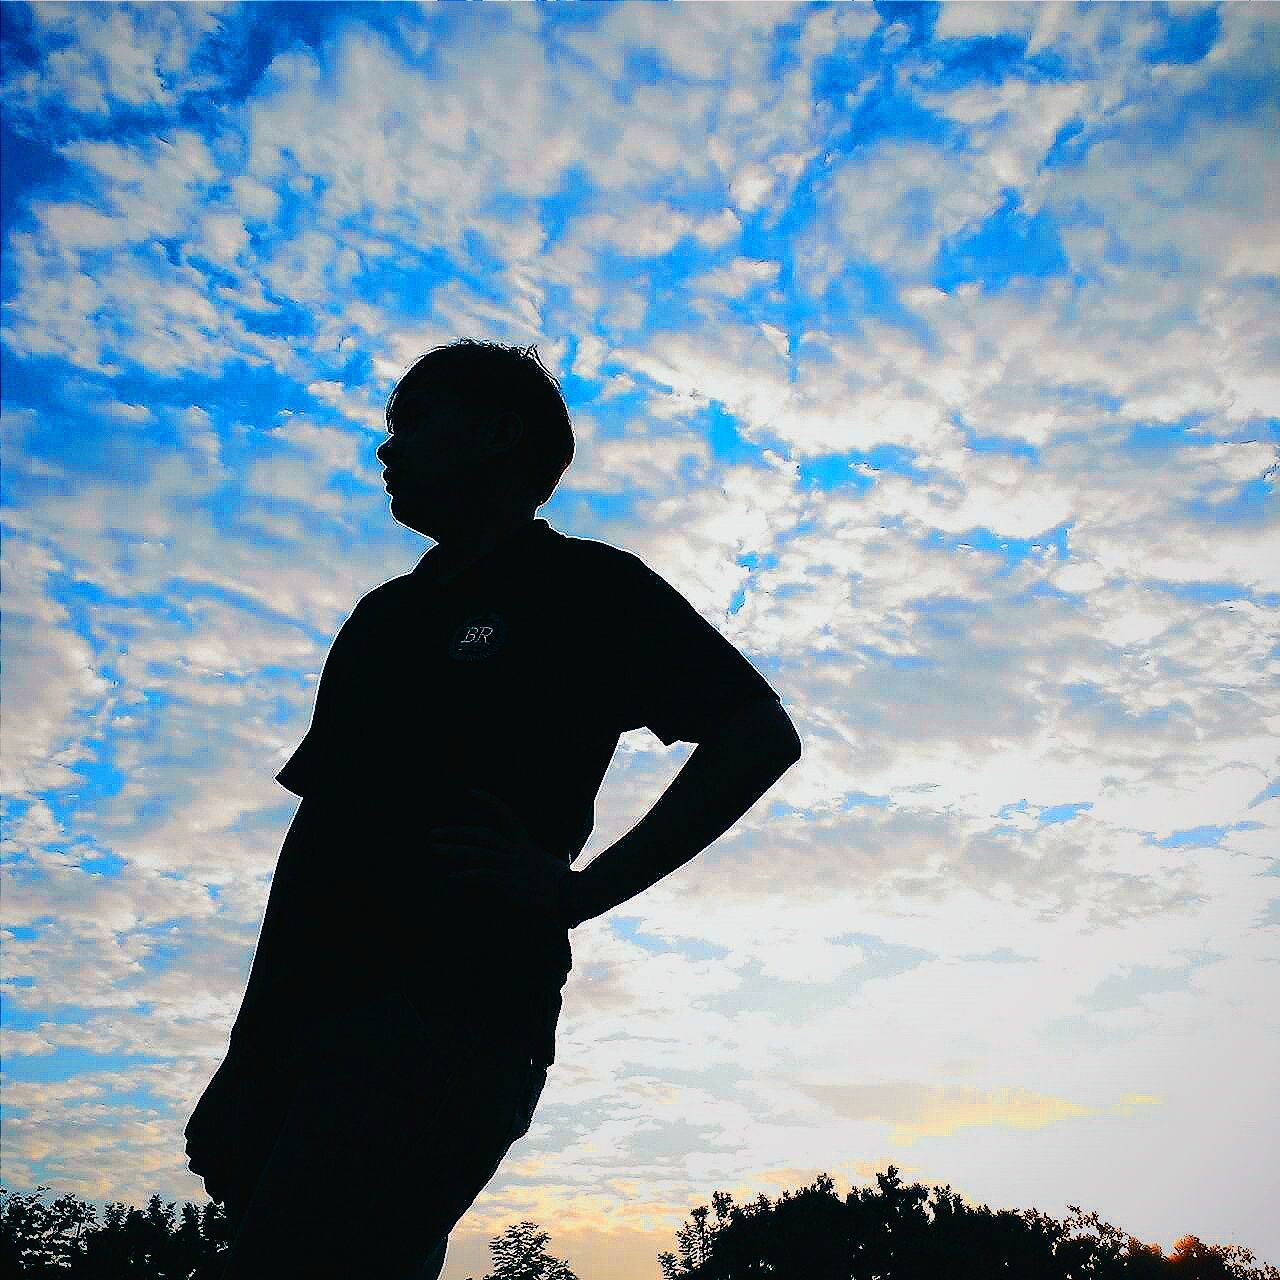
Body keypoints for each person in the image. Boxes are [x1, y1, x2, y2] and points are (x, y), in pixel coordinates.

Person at [183, 338, 803, 1278]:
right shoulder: (379, 620)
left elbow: (757, 734)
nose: (386, 450)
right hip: (307, 1027)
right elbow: (316, 846)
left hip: (453, 1015)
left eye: (412, 423)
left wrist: (578, 894)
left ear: (497, 435)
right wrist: (248, 1053)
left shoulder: (589, 587)